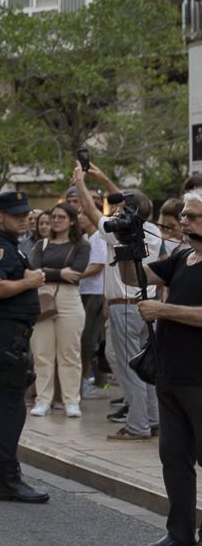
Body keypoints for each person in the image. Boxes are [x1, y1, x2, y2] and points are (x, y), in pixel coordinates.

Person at [129, 191, 202, 546]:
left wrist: (164, 310)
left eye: (191, 216)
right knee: (173, 456)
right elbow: (135, 275)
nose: (183, 221)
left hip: (199, 377)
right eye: (184, 216)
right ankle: (180, 534)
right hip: (171, 375)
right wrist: (126, 245)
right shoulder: (182, 258)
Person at [75, 166, 169, 441]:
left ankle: (138, 425)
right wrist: (103, 178)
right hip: (146, 303)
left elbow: (92, 212)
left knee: (130, 368)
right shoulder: (150, 228)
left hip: (125, 303)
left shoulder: (123, 230)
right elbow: (128, 203)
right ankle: (151, 419)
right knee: (143, 364)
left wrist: (81, 182)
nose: (116, 212)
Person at [0, 191, 49, 503]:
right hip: (6, 336)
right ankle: (8, 479)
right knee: (9, 408)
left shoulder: (8, 246)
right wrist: (29, 283)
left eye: (25, 213)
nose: (24, 219)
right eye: (17, 215)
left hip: (4, 333)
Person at [29, 202, 90, 418]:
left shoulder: (81, 245)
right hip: (43, 297)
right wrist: (60, 273)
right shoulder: (41, 244)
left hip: (70, 299)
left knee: (70, 353)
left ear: (72, 220)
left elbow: (78, 272)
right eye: (53, 217)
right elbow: (34, 272)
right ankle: (43, 399)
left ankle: (71, 400)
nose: (55, 221)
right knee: (42, 352)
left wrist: (52, 272)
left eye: (60, 217)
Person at [75, 207, 109, 399]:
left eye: (83, 214)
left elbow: (98, 266)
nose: (79, 217)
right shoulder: (86, 239)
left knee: (88, 339)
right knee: (84, 339)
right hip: (84, 291)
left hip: (96, 292)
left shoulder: (98, 238)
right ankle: (89, 379)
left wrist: (75, 275)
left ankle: (94, 380)